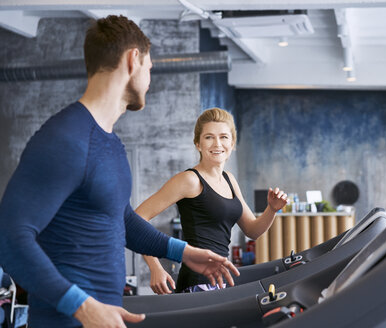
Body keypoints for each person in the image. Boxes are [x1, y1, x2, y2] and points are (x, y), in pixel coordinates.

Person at [0, 15, 239, 328]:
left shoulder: (110, 143)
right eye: (150, 69)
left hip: (107, 316)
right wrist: (82, 307)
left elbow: (121, 219)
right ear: (132, 59)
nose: (150, 80)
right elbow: (9, 238)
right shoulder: (64, 138)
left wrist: (184, 252)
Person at [135, 107, 288, 294]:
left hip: (221, 281)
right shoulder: (189, 180)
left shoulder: (229, 179)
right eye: (209, 137)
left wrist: (271, 209)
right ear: (198, 144)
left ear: (232, 143)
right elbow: (137, 218)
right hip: (195, 284)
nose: (217, 144)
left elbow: (252, 231)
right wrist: (155, 266)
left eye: (224, 137)